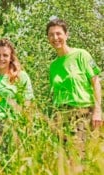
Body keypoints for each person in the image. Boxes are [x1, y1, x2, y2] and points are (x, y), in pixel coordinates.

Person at [46, 18, 102, 161]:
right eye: (51, 35)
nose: (55, 38)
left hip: (82, 114)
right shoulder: (53, 66)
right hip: (61, 116)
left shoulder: (82, 55)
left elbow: (95, 82)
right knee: (62, 159)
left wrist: (97, 110)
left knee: (77, 157)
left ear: (66, 35)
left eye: (58, 33)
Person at [0, 38, 34, 152]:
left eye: (5, 55)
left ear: (11, 58)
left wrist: (26, 127)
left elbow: (27, 104)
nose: (1, 58)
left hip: (13, 126)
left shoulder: (20, 77)